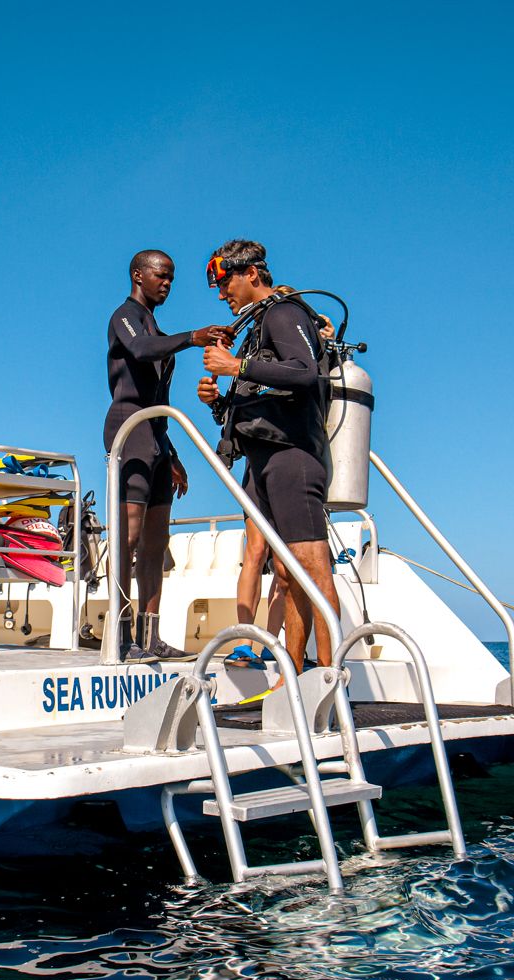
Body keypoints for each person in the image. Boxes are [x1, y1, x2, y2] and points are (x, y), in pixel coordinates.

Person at [196, 240, 342, 680]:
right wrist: (218, 401)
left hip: (292, 457)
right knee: (286, 570)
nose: (223, 295)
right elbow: (264, 399)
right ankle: (292, 678)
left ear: (252, 274)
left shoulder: (283, 313)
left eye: (225, 282)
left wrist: (236, 366)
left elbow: (304, 372)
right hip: (263, 461)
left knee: (312, 569)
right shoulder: (260, 325)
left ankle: (331, 679)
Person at [105, 249, 229, 660]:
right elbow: (140, 350)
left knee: (157, 541)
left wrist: (171, 454)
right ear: (138, 274)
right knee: (130, 535)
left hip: (155, 435)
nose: (167, 284)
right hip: (129, 428)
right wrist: (193, 338)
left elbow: (160, 397)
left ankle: (150, 636)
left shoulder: (155, 325)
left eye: (172, 278)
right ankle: (120, 637)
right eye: (161, 276)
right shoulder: (124, 315)